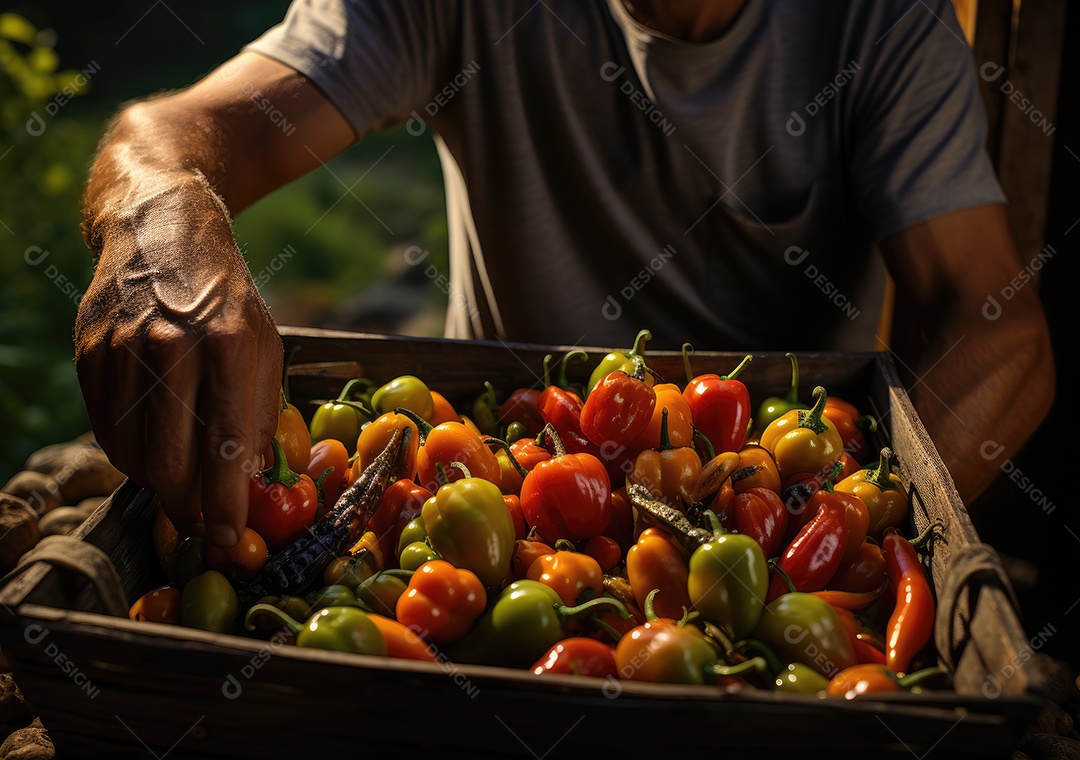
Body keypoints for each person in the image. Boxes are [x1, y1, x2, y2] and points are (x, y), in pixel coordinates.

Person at [74, 0, 1054, 548]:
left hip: (767, 517)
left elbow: (997, 327)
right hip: (481, 490)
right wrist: (157, 218)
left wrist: (839, 531)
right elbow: (177, 131)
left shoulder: (883, 25)